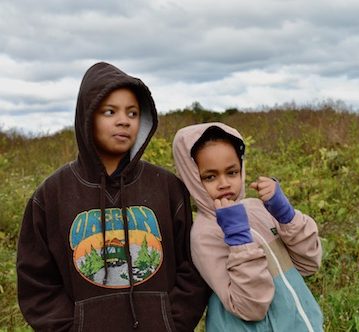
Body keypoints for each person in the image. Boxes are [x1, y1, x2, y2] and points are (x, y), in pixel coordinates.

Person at [16, 62, 210, 331]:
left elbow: (193, 266)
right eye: (110, 111)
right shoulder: (51, 195)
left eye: (132, 113)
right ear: (88, 116)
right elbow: (37, 282)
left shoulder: (167, 188)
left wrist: (171, 322)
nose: (124, 120)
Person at [172, 122, 324, 332]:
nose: (224, 183)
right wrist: (238, 239)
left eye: (232, 172)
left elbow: (308, 264)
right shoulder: (204, 235)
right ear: (192, 179)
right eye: (210, 176)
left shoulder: (257, 209)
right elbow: (251, 308)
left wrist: (286, 216)